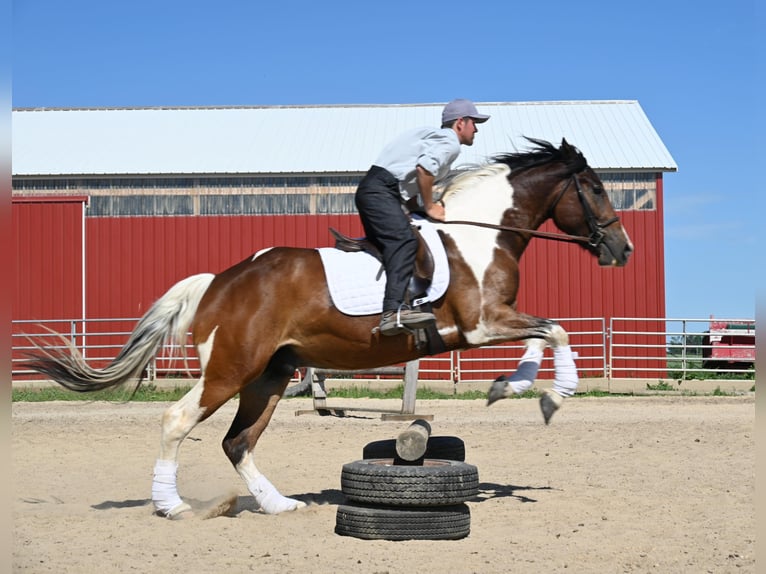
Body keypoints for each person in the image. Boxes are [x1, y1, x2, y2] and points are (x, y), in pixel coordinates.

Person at [355, 98, 490, 336]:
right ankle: (392, 312)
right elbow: (424, 170)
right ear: (460, 123)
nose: (476, 129)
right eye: (474, 123)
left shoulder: (433, 137)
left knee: (409, 237)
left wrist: (414, 206)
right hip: (381, 192)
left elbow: (407, 178)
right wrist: (429, 206)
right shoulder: (450, 143)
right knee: (405, 242)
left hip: (380, 190)